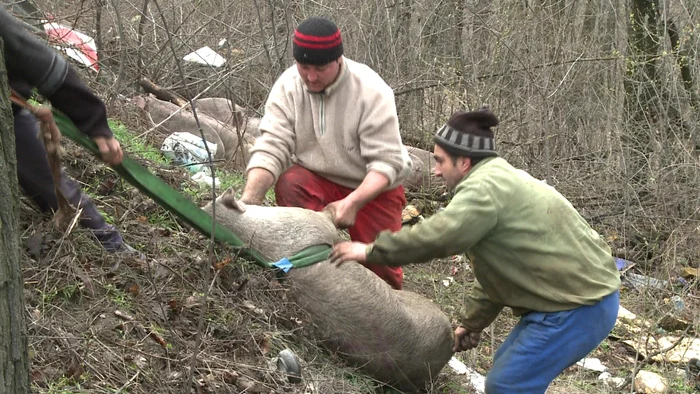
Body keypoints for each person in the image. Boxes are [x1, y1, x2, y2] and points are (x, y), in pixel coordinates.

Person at [330, 108, 621, 393]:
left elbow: (439, 237)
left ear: (464, 162)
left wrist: (371, 251)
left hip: (578, 305)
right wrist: (473, 323)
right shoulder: (497, 178)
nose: (435, 170)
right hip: (577, 297)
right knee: (507, 372)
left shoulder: (483, 190)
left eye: (440, 161)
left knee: (508, 385)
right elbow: (498, 269)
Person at [239, 16, 412, 290]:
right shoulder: (288, 86)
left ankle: (386, 311)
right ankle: (309, 271)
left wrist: (354, 202)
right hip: (317, 179)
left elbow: (387, 162)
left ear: (338, 60)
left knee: (382, 265)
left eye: (320, 68)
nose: (310, 76)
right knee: (290, 183)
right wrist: (249, 202)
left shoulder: (371, 90)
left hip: (373, 185)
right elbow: (272, 146)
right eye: (303, 66)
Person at [1, 6, 133, 253]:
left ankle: (111, 246)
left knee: (53, 186)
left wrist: (95, 123)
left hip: (8, 116)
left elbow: (41, 63)